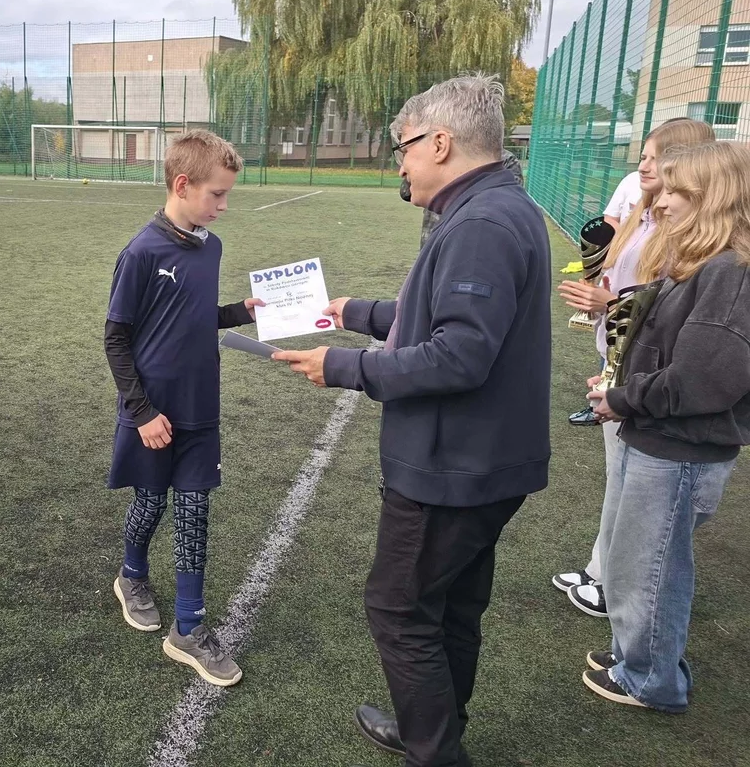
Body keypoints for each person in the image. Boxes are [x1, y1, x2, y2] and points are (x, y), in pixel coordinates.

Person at [274, 76, 551, 767]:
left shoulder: (482, 222)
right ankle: (433, 728)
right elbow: (446, 313)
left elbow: (460, 355)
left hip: (452, 465)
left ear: (441, 142)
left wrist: (345, 367)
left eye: (404, 148)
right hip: (484, 459)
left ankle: (435, 751)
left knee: (399, 610)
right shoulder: (496, 206)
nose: (400, 164)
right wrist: (356, 313)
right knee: (450, 607)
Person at [584, 140, 750, 712]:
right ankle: (638, 655)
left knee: (651, 566)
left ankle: (651, 677)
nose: (660, 201)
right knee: (636, 560)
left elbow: (703, 381)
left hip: (680, 448)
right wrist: (623, 382)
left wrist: (625, 398)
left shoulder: (730, 271)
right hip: (659, 437)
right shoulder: (705, 263)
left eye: (677, 190)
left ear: (714, 197)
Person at [105, 130, 264, 687]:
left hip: (201, 408)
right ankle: (131, 575)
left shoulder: (210, 247)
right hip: (153, 413)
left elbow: (196, 316)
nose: (224, 205)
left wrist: (240, 311)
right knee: (151, 502)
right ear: (182, 185)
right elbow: (116, 339)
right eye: (217, 194)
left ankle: (189, 629)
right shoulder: (142, 252)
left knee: (195, 510)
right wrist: (142, 412)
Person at [553, 118, 715, 616]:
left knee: (640, 489)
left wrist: (610, 305)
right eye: (643, 156)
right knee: (620, 478)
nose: (643, 166)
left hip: (648, 374)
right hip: (623, 361)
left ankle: (617, 587)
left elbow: (665, 311)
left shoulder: (688, 234)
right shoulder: (643, 213)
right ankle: (602, 570)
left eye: (655, 158)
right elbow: (629, 285)